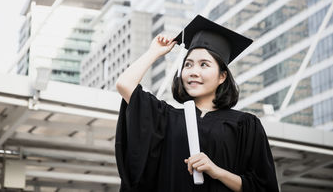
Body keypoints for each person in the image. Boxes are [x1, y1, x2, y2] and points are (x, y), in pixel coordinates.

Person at [115, 15, 279, 192]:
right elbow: (125, 84)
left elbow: (263, 187)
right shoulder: (166, 118)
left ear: (222, 76)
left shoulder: (245, 125)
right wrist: (154, 52)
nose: (193, 72)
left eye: (204, 65)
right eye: (188, 65)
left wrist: (217, 171)